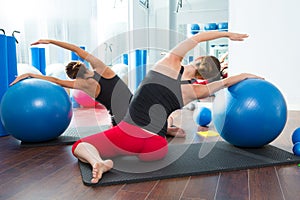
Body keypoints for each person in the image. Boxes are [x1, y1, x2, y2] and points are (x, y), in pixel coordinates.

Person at [71, 30, 263, 184]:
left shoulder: (168, 62)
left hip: (128, 135)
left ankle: (99, 162)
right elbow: (224, 83)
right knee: (158, 124)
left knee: (80, 145)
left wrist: (227, 34)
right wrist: (243, 75)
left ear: (197, 60)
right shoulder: (195, 90)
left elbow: (197, 38)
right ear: (204, 77)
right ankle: (161, 134)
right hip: (156, 147)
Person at [10, 39, 184, 137]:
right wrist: (51, 41)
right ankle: (165, 127)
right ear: (83, 65)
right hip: (139, 112)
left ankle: (164, 128)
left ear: (73, 76)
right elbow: (76, 49)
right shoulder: (102, 69)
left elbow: (55, 80)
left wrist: (31, 75)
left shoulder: (82, 85)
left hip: (121, 121)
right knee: (149, 126)